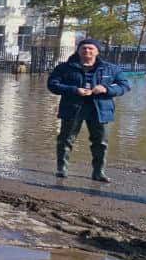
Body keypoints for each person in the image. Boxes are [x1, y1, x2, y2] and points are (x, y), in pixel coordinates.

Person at [46, 37, 130, 182]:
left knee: (101, 142)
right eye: (84, 48)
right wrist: (74, 90)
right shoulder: (64, 68)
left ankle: (99, 172)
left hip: (100, 109)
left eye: (91, 48)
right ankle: (62, 169)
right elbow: (52, 84)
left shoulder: (111, 68)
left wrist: (106, 89)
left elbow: (124, 85)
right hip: (72, 108)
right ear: (78, 51)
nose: (87, 51)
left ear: (97, 51)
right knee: (66, 139)